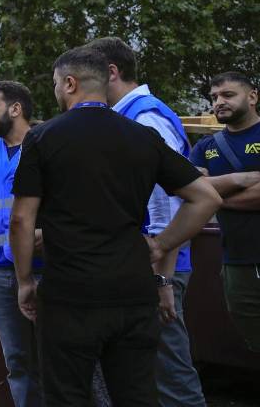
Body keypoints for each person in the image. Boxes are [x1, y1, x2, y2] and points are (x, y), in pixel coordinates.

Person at [9, 47, 221, 406]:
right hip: (132, 294)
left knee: (66, 395)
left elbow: (21, 219)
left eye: (57, 84)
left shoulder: (44, 138)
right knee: (136, 394)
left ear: (71, 83)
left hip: (70, 296)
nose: (56, 92)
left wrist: (25, 280)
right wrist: (160, 244)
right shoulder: (141, 136)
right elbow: (206, 198)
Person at [90, 36, 206, 407]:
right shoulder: (128, 116)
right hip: (145, 267)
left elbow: (168, 204)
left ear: (111, 72)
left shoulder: (145, 117)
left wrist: (161, 278)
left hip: (158, 270)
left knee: (171, 378)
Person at [188, 71, 260, 354]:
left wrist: (215, 198)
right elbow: (190, 190)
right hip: (236, 265)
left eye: (228, 95)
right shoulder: (205, 147)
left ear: (252, 97)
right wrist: (239, 180)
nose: (218, 102)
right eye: (214, 98)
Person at [0, 80, 42, 407]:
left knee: (54, 358)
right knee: (15, 361)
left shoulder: (44, 146)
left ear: (15, 109)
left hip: (44, 270)